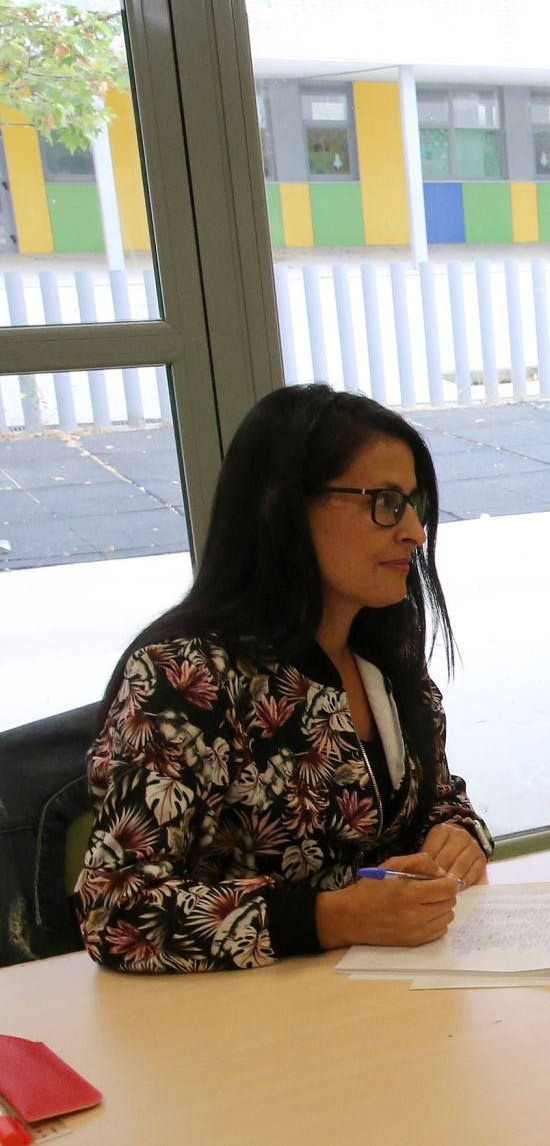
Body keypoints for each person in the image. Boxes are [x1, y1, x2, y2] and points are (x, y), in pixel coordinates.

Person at [76, 385, 491, 974]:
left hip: (386, 993)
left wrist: (458, 834)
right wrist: (331, 917)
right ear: (283, 506)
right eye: (384, 503)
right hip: (233, 1021)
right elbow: (116, 911)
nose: (414, 532)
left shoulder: (382, 652)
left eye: (414, 504)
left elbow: (439, 800)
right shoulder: (185, 673)